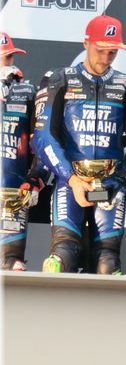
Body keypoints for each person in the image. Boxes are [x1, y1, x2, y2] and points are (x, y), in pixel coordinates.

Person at [33, 15, 126, 274]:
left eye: (112, 52)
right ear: (86, 43)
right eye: (100, 50)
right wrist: (71, 178)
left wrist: (122, 179)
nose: (106, 58)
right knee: (62, 256)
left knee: (108, 261)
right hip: (69, 181)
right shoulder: (60, 79)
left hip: (110, 183)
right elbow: (43, 136)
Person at [1, 33, 48, 271]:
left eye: (9, 56)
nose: (7, 62)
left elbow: (42, 140)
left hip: (13, 191)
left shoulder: (27, 92)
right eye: (3, 57)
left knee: (12, 263)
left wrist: (37, 176)